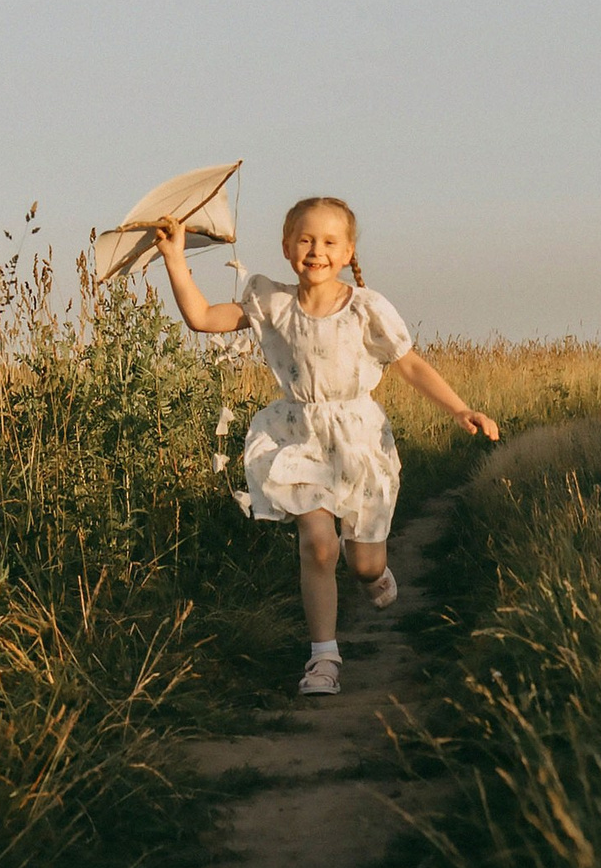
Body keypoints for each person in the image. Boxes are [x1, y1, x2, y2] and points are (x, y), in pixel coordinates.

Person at [153, 194, 500, 694]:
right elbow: (203, 317)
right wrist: (174, 257)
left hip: (359, 442)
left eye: (329, 242)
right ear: (286, 247)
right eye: (305, 240)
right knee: (317, 545)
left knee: (364, 564)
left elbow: (410, 365)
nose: (316, 250)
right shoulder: (272, 303)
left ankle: (373, 574)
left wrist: (461, 409)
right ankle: (323, 660)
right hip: (298, 437)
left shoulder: (366, 308)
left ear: (347, 252)